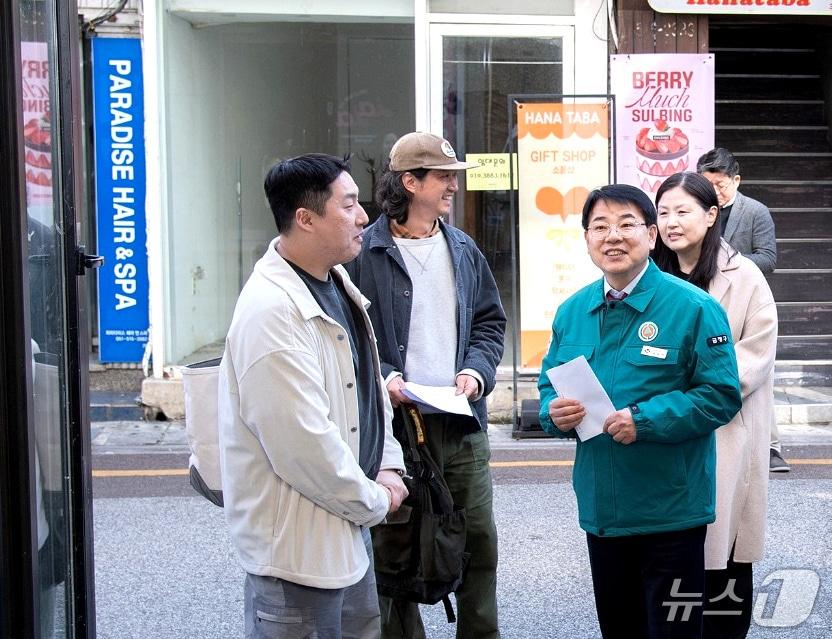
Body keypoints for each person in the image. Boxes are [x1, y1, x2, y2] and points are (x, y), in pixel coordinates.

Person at [537, 184, 742, 639]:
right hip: (603, 511)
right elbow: (549, 384)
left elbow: (721, 395)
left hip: (671, 514)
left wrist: (645, 420)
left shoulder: (693, 307)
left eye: (627, 224)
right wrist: (555, 411)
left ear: (651, 235)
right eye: (600, 226)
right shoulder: (572, 311)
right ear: (586, 238)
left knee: (676, 631)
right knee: (620, 630)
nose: (613, 236)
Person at [218, 153, 408, 639]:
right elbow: (302, 445)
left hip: (348, 525)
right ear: (305, 218)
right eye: (348, 205)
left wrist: (387, 463)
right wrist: (374, 501)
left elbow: (367, 383)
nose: (364, 215)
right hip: (297, 550)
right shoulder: (271, 312)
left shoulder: (335, 281)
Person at [346, 131, 506, 639]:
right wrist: (383, 378)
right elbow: (345, 337)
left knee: (478, 545)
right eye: (443, 178)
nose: (452, 188)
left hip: (461, 425)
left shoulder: (462, 248)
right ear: (410, 182)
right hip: (394, 430)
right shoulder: (361, 254)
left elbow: (488, 322)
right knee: (393, 553)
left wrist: (476, 372)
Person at [652, 171, 776, 638]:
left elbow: (754, 357)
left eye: (683, 211)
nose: (671, 222)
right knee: (672, 557)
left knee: (722, 555)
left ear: (711, 214)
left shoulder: (744, 277)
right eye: (663, 212)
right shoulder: (651, 276)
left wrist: (687, 392)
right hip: (661, 432)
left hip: (725, 432)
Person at [696, 148, 787, 473]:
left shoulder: (755, 211)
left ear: (736, 180)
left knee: (759, 375)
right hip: (710, 302)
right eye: (708, 185)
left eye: (721, 184)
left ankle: (771, 447)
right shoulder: (699, 211)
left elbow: (770, 257)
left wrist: (731, 265)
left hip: (748, 301)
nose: (716, 192)